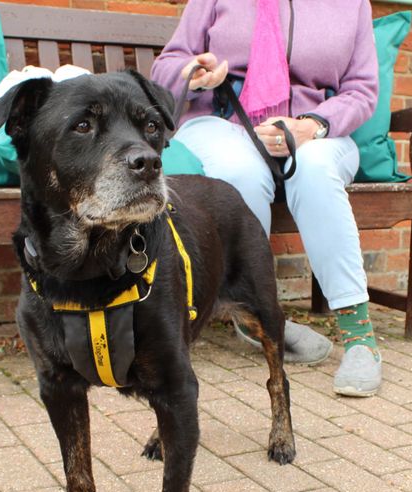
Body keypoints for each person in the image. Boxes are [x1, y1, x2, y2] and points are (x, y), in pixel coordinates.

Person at [150, 0, 382, 397]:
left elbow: (361, 90)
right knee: (241, 170)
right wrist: (194, 75)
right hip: (225, 121)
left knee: (315, 170)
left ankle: (359, 335)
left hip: (316, 129)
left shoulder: (352, 4)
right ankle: (256, 313)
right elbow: (168, 66)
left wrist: (313, 125)